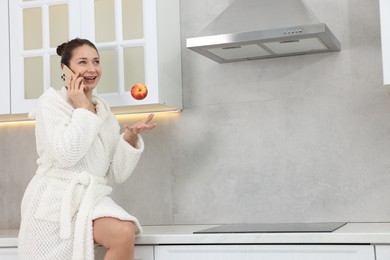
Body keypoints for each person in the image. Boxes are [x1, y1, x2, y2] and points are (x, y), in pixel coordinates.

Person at [18, 38, 157, 260]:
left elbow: (116, 173)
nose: (92, 69)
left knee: (123, 232)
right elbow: (66, 155)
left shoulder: (105, 114)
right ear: (65, 68)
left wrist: (130, 138)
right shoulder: (51, 103)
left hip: (91, 198)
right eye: (82, 62)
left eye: (96, 61)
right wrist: (83, 109)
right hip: (56, 200)